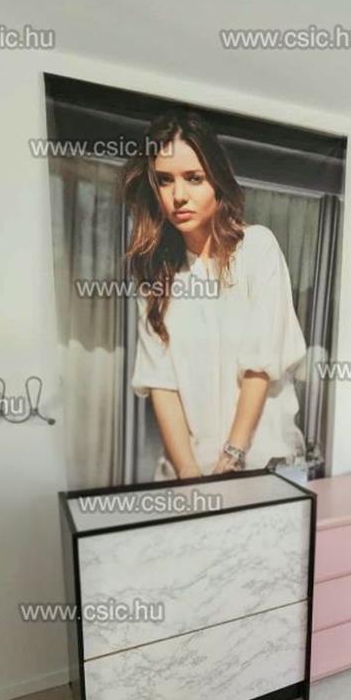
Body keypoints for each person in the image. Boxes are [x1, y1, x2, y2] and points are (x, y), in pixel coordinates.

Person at [124, 110, 306, 480]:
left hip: (260, 464)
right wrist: (190, 474)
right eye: (164, 180)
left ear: (217, 180)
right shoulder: (156, 277)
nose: (178, 196)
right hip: (188, 472)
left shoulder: (257, 248)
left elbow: (260, 364)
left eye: (193, 178)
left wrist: (232, 456)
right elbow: (162, 385)